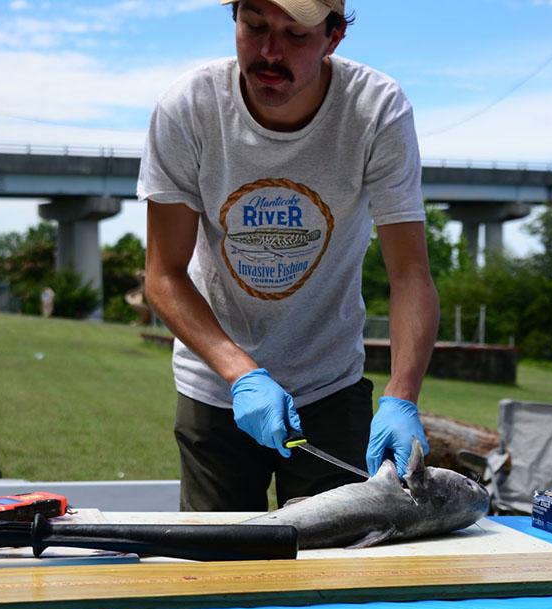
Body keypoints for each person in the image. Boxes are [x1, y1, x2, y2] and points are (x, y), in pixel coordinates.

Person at [137, 0, 439, 511]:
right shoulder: (189, 107)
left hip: (329, 384)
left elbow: (410, 275)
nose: (270, 52)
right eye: (254, 26)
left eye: (296, 35)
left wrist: (402, 395)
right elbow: (163, 275)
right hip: (217, 388)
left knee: (333, 571)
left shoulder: (376, 109)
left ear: (333, 38)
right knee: (219, 569)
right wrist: (241, 373)